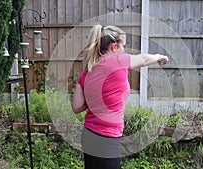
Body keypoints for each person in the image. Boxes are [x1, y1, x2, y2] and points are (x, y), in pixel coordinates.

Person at [72, 24, 168, 169]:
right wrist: (160, 56)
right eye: (123, 45)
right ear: (113, 47)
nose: (124, 50)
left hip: (89, 134)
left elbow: (77, 106)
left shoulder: (87, 70)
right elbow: (144, 59)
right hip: (106, 139)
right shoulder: (118, 61)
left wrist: (96, 96)